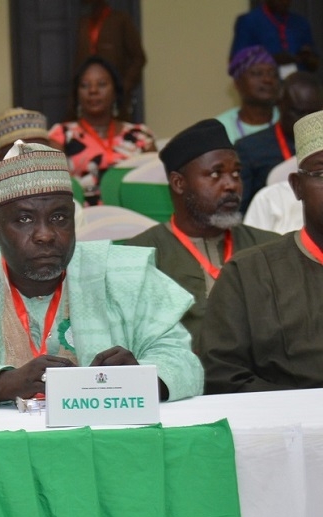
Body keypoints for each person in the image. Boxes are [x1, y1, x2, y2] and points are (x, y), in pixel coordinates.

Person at [0, 141, 201, 408]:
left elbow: (183, 361)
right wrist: (2, 384)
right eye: (24, 220)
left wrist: (144, 378)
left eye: (59, 217)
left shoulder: (122, 274)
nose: (46, 235)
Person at [125, 119, 278, 350]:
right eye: (216, 174)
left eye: (236, 173)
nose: (231, 185)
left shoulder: (271, 248)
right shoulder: (138, 257)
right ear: (178, 183)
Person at [202, 109, 323, 393]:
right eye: (322, 172)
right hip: (290, 429)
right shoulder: (248, 274)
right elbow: (223, 373)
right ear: (297, 186)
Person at [48, 56, 155, 205]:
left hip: (133, 218)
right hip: (81, 220)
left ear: (115, 91)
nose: (93, 90)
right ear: (77, 93)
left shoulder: (141, 136)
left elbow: (155, 184)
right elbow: (51, 186)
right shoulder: (61, 135)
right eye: (85, 85)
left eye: (102, 84)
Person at [237, 72, 323, 211]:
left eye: (313, 113)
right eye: (298, 112)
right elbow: (242, 210)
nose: (306, 121)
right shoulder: (249, 149)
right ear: (280, 104)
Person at [75, 0, 146, 119]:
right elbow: (78, 63)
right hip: (87, 104)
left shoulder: (120, 20)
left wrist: (122, 87)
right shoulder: (84, 22)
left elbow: (138, 58)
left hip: (117, 104)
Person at [230, 0, 319, 76]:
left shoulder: (301, 23)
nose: (283, 1)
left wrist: (307, 58)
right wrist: (272, 59)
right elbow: (236, 63)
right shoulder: (248, 21)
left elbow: (314, 64)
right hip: (263, 88)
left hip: (295, 88)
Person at [215, 46, 281, 144]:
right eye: (257, 73)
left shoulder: (287, 119)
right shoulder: (220, 128)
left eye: (273, 74)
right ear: (237, 83)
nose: (268, 80)